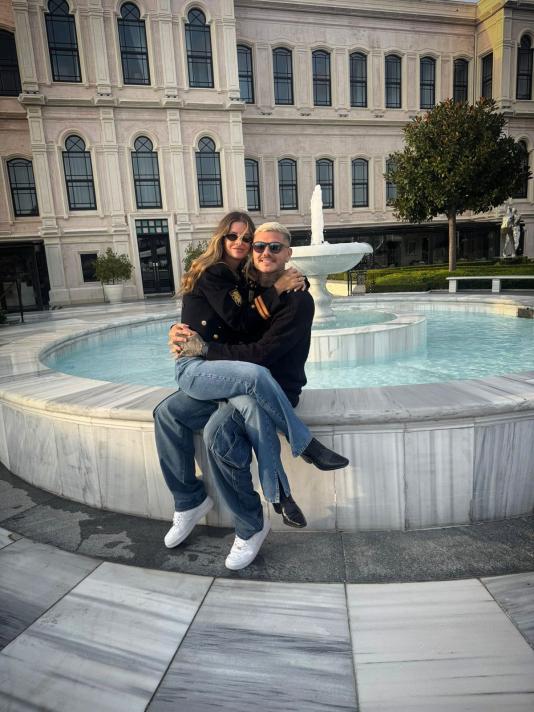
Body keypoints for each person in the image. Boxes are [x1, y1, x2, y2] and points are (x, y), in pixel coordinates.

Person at [155, 220, 348, 569]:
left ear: (288, 254)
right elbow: (224, 320)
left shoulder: (298, 299)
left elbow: (260, 356)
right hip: (234, 381)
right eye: (258, 246)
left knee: (218, 434)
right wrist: (179, 331)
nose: (264, 252)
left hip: (271, 389)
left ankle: (250, 525)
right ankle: (189, 500)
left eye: (275, 247)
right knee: (167, 413)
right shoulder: (246, 286)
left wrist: (205, 350)